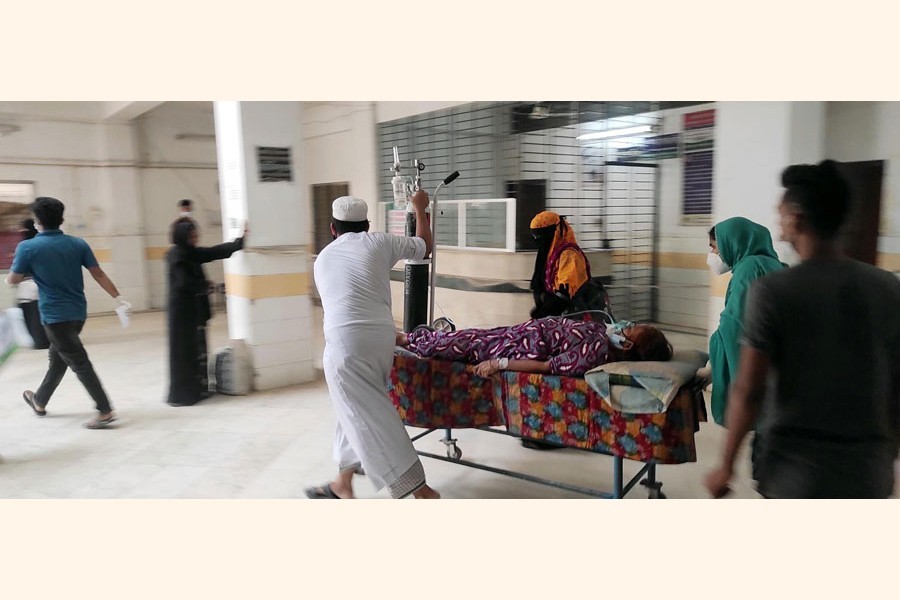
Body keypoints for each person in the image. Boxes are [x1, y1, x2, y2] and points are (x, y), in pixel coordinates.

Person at [705, 160, 900, 499]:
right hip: (870, 467)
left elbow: (749, 389)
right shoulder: (887, 287)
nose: (779, 228)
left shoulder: (776, 291)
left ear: (796, 218)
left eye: (781, 216)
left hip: (796, 470)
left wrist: (726, 465)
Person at [309, 192, 440, 500]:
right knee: (353, 406)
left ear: (332, 228)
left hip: (346, 344)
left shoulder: (324, 257)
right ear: (367, 225)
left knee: (369, 414)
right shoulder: (380, 242)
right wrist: (420, 209)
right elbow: (424, 247)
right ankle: (343, 483)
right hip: (382, 338)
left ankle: (422, 491)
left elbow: (345, 304)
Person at [6, 197, 130, 429]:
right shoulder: (78, 244)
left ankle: (105, 410)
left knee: (79, 362)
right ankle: (39, 400)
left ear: (37, 222)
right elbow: (99, 274)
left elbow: (13, 279)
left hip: (54, 317)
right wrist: (118, 298)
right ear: (61, 219)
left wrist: (17, 272)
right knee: (59, 358)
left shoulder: (28, 247)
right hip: (77, 314)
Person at [705, 217, 786, 478]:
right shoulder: (774, 264)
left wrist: (713, 353)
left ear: (732, 243)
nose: (712, 254)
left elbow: (735, 325)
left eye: (714, 247)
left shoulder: (749, 268)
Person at [398, 317, 672, 378]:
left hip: (512, 349)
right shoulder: (604, 335)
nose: (626, 325)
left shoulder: (595, 354)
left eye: (630, 329)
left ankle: (405, 343)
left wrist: (498, 363)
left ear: (629, 344)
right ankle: (405, 339)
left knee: (455, 344)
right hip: (513, 334)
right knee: (465, 337)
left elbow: (546, 366)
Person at [166, 218, 246, 407]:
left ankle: (198, 389)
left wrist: (239, 242)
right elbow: (183, 283)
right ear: (182, 236)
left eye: (196, 235)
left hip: (193, 312)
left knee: (198, 351)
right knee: (184, 354)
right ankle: (184, 395)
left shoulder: (190, 253)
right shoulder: (176, 255)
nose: (195, 239)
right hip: (182, 315)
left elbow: (214, 252)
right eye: (192, 236)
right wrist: (207, 286)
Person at [529, 211, 595, 318]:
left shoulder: (569, 255)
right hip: (552, 317)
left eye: (540, 235)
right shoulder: (547, 253)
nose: (537, 240)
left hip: (572, 319)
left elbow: (565, 293)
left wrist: (542, 315)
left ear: (554, 232)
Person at [14, 219, 50, 349]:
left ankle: (40, 341)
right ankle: (44, 340)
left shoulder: (25, 246)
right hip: (41, 286)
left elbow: (19, 269)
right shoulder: (43, 245)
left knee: (31, 316)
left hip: (28, 286)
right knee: (38, 316)